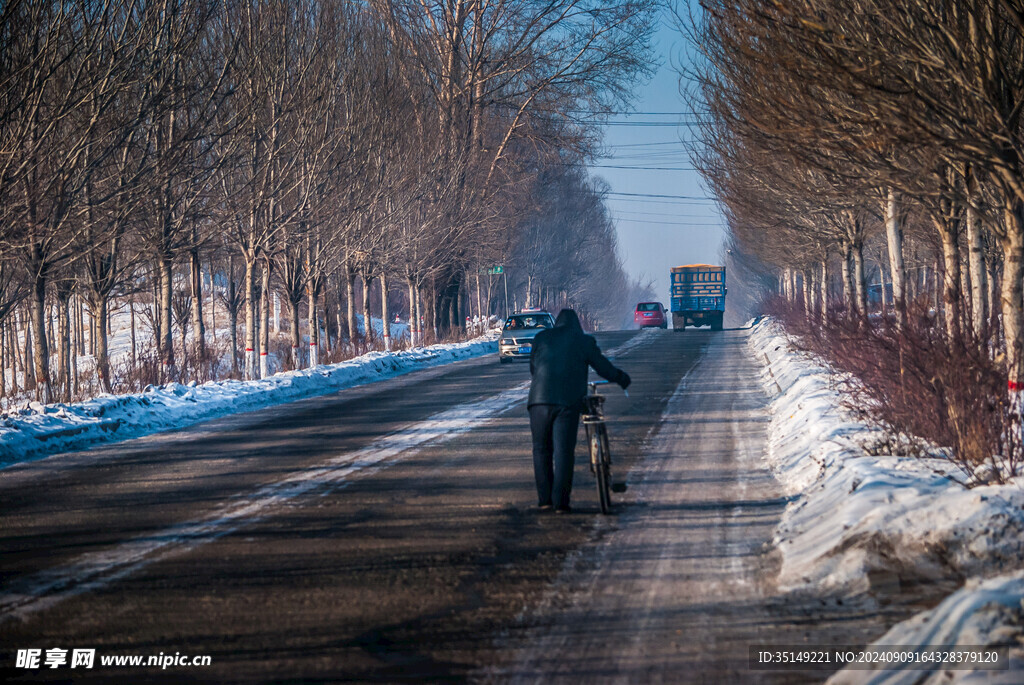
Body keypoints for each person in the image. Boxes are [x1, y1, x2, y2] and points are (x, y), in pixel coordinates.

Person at [527, 309, 631, 513]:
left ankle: (545, 500)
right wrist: (621, 378)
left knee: (541, 450)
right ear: (576, 324)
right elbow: (603, 368)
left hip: (538, 402)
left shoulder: (541, 338)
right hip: (567, 403)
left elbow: (533, 368)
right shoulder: (583, 341)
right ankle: (561, 503)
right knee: (564, 452)